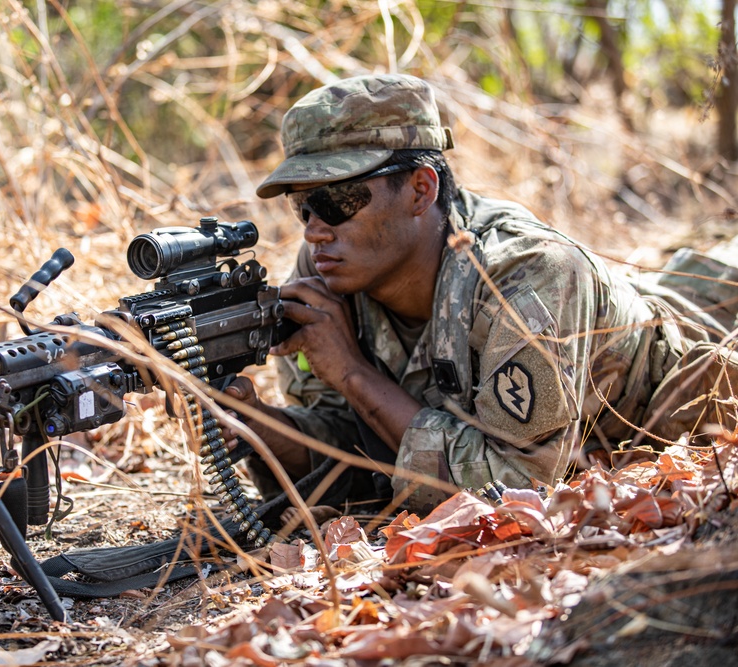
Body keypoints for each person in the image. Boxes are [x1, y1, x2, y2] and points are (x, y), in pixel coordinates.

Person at [221, 73, 738, 513]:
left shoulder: (530, 272)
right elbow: (362, 445)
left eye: (337, 200)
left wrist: (353, 373)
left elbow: (519, 486)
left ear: (421, 190)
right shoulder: (331, 267)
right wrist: (261, 428)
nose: (314, 230)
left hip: (700, 332)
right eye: (303, 207)